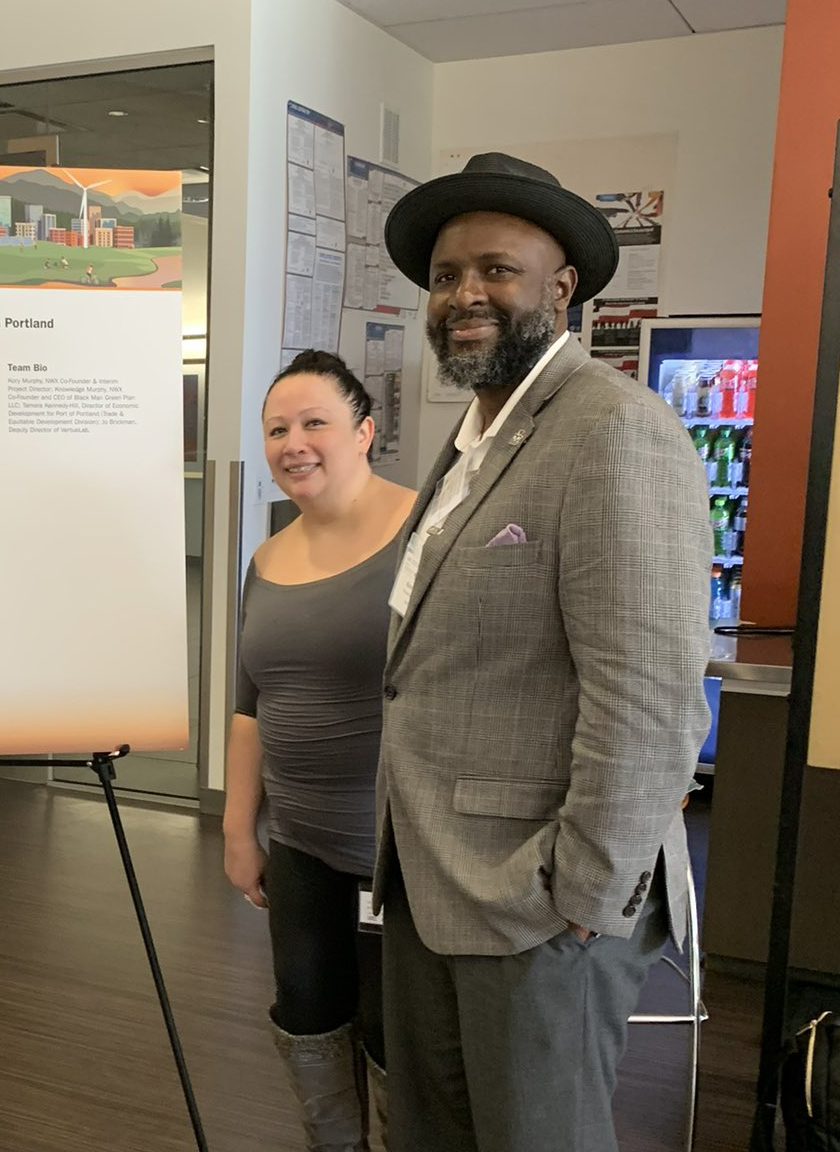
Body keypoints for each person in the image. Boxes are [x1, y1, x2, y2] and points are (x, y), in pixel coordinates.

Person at [372, 153, 710, 1151]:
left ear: (562, 288)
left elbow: (650, 699)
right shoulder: (476, 437)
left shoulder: (612, 431)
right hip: (435, 876)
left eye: (495, 270)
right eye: (443, 276)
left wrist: (582, 895)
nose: (463, 295)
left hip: (537, 901)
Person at [225, 351, 415, 1151]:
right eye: (277, 429)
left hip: (397, 846)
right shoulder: (267, 559)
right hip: (299, 839)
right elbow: (249, 708)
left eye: (314, 423)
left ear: (364, 432)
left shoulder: (424, 533)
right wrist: (240, 831)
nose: (292, 443)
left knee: (388, 1026)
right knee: (305, 1010)